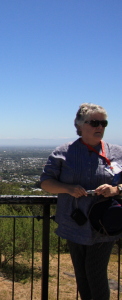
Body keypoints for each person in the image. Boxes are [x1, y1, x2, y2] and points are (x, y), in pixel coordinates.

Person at [40, 103, 122, 300]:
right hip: (74, 223)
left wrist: (116, 189)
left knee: (95, 272)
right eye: (94, 122)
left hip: (104, 224)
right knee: (82, 275)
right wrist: (68, 189)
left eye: (103, 123)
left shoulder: (117, 153)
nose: (99, 127)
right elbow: (46, 183)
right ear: (79, 124)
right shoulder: (64, 152)